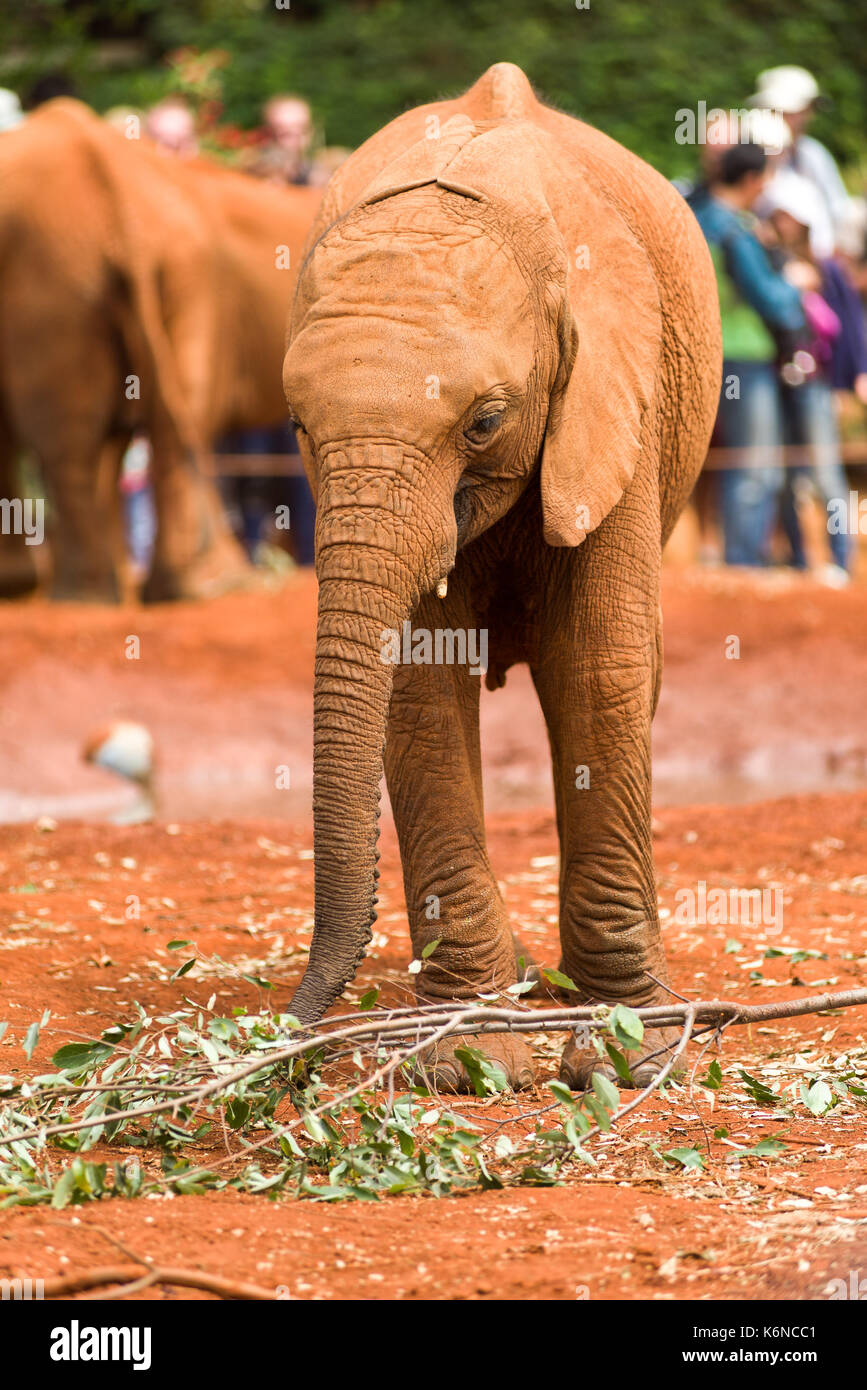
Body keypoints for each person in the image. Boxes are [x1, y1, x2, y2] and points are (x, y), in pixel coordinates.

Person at [690, 143, 806, 566]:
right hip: (745, 355)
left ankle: (736, 558)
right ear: (753, 179)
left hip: (708, 352)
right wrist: (797, 286)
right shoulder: (735, 228)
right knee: (756, 464)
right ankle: (743, 564)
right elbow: (770, 300)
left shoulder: (697, 217)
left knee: (731, 460)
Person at [764, 173, 867, 583]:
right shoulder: (768, 257)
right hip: (777, 379)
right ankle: (799, 559)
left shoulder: (828, 268)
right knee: (787, 474)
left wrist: (857, 373)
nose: (784, 222)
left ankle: (842, 560)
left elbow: (850, 326)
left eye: (790, 215)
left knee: (826, 472)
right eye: (779, 214)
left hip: (816, 382)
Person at [750, 67, 850, 249]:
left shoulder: (814, 154)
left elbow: (838, 211)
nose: (807, 117)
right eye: (799, 111)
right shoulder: (750, 157)